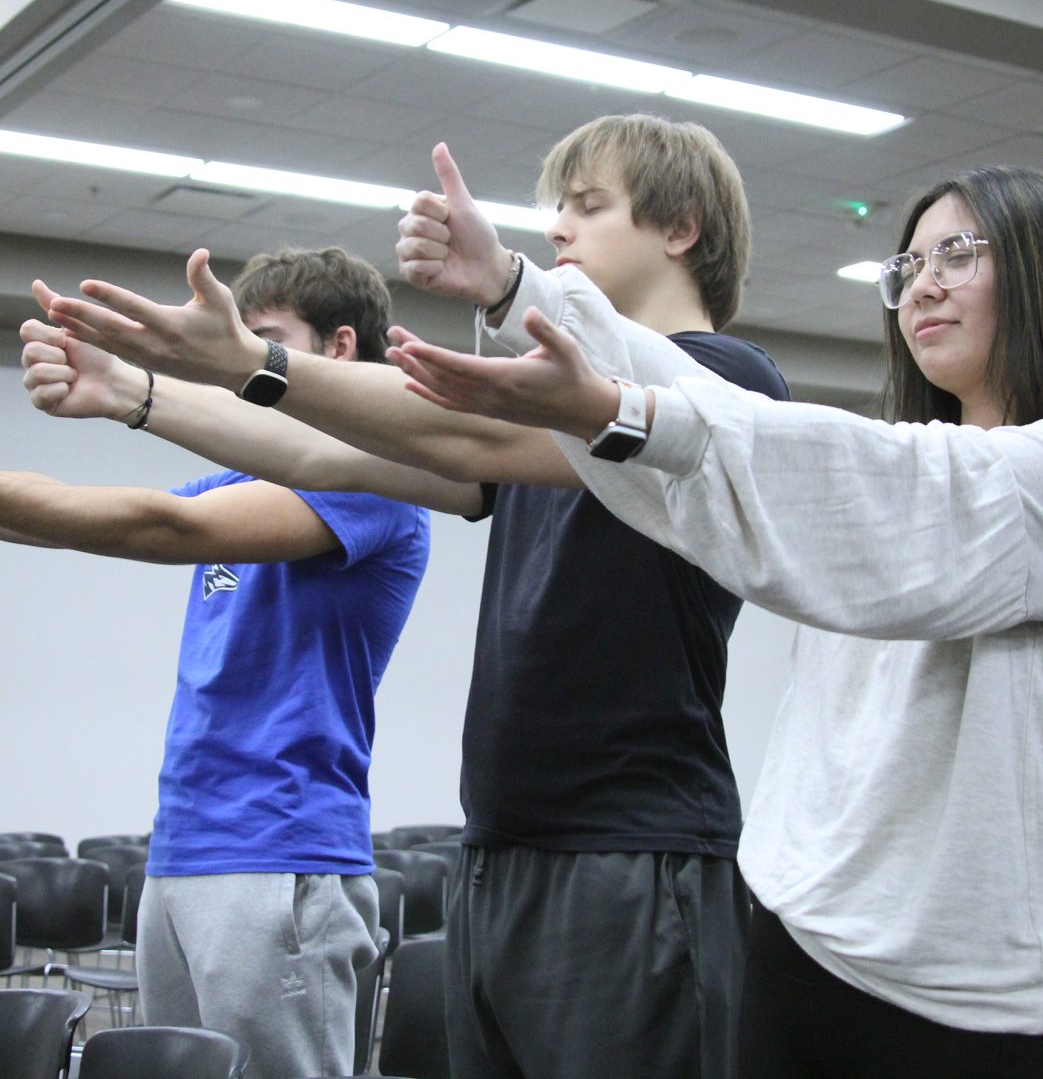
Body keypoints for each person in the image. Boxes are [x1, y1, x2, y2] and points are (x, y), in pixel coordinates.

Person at [30, 114, 793, 1078]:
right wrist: (135, 393)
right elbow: (328, 452)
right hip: (504, 846)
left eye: (588, 208)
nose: (559, 229)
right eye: (555, 210)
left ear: (680, 228)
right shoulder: (551, 415)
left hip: (632, 852)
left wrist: (247, 362)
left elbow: (457, 438)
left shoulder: (727, 381)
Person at [383, 163, 1043, 1077]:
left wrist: (615, 408)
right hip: (800, 956)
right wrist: (517, 288)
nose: (921, 284)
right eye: (908, 265)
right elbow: (730, 424)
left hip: (984, 1010)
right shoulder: (895, 471)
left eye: (957, 254)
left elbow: (848, 472)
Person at [7, 247, 437, 1079]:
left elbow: (165, 529)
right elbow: (82, 521)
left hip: (279, 849)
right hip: (187, 848)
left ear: (340, 347)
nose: (239, 362)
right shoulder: (238, 480)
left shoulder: (380, 479)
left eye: (265, 338)